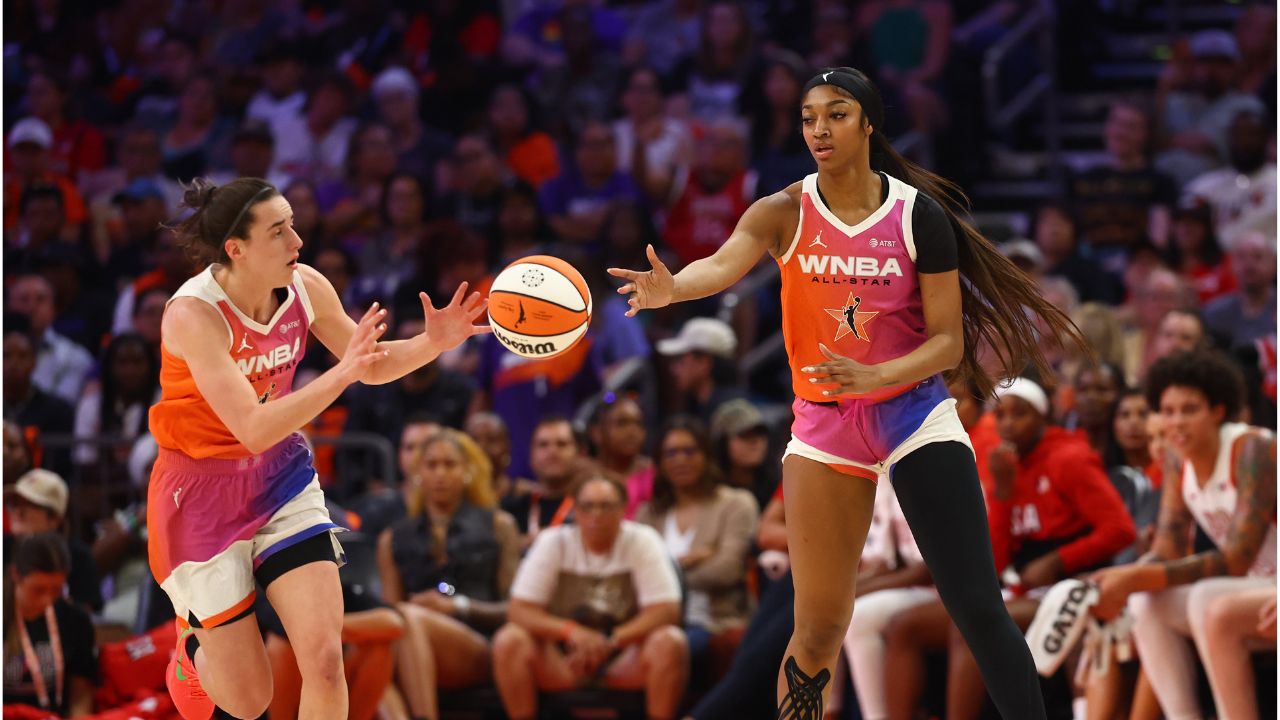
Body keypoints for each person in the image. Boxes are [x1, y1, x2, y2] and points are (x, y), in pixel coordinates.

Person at [609, 67, 1082, 718]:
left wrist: (878, 377)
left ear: (866, 123)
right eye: (808, 117)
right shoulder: (782, 209)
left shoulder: (918, 215)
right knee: (818, 625)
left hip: (913, 414)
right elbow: (723, 263)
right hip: (825, 428)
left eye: (835, 114)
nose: (818, 129)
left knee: (974, 605)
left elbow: (947, 342)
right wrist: (675, 288)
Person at [146, 176, 490, 720]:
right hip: (199, 493)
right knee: (248, 699)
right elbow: (252, 427)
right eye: (279, 231)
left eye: (294, 225)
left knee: (326, 659)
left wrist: (433, 342)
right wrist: (343, 375)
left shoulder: (306, 285)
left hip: (278, 477)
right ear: (237, 249)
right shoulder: (193, 314)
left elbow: (367, 366)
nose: (298, 242)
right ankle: (192, 650)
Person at [1089, 349, 1276, 720]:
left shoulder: (1253, 448)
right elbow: (1169, 546)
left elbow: (1236, 558)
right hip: (1256, 588)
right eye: (1168, 410)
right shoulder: (1178, 457)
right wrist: (1124, 582)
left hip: (1262, 587)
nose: (1175, 422)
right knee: (1147, 603)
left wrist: (1133, 576)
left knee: (1207, 600)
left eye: (1189, 410)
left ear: (1218, 411)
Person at [492, 476, 688, 720]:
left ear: (623, 509)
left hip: (622, 659)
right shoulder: (552, 541)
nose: (596, 514)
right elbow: (519, 611)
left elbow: (666, 611)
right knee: (510, 639)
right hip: (562, 660)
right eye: (587, 506)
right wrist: (571, 632)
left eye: (606, 506)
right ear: (575, 510)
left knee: (670, 641)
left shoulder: (643, 540)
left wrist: (608, 640)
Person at [376, 429, 520, 720]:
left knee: (407, 618)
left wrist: (457, 606)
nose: (440, 473)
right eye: (431, 465)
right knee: (385, 640)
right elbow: (390, 612)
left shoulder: (499, 525)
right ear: (417, 473)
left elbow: (515, 610)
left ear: (468, 471)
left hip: (481, 644)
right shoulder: (392, 538)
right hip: (411, 643)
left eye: (450, 464)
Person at [2, 533, 98, 717]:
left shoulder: (75, 621)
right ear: (16, 575)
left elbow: (81, 694)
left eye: (56, 590)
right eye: (38, 590)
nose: (47, 600)